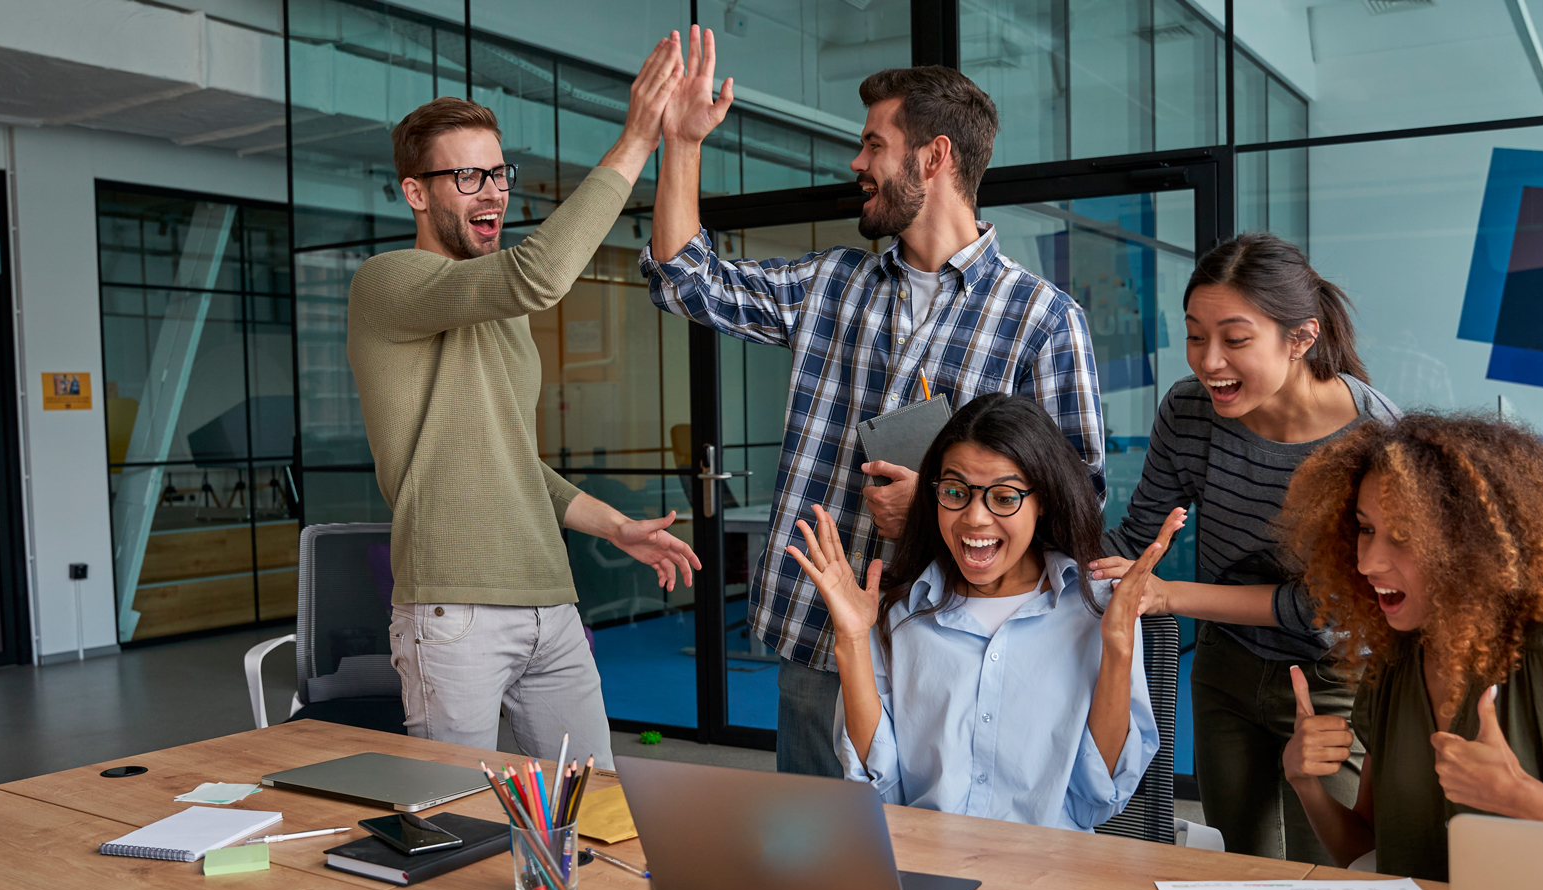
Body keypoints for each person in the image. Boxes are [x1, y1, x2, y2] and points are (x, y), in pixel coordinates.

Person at [645, 28, 1104, 776]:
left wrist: (941, 503)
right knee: (819, 866)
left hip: (954, 649)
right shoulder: (832, 284)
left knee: (936, 861)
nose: (857, 164)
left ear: (935, 157)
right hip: (820, 641)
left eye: (873, 145)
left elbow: (1079, 495)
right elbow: (686, 281)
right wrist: (683, 144)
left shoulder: (1041, 318)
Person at [348, 39, 699, 767]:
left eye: (498, 172)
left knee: (590, 807)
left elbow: (512, 462)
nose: (495, 192)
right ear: (416, 192)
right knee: (452, 819)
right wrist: (638, 139)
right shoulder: (387, 283)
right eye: (468, 176)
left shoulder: (499, 307)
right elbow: (538, 276)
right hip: (452, 610)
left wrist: (614, 527)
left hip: (549, 599)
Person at [1277, 413, 1543, 880]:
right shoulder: (1396, 653)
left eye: (1403, 536)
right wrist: (1307, 785)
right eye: (1365, 528)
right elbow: (1372, 852)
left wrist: (1520, 797)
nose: (1368, 562)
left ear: (1467, 542)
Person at [1089, 232, 1399, 861]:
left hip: (1333, 679)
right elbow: (1135, 537)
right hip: (1226, 671)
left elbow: (1323, 606)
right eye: (1196, 335)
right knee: (1239, 865)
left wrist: (1169, 595)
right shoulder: (1189, 412)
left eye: (1235, 339)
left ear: (1301, 337)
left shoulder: (1371, 439)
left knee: (1334, 870)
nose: (1208, 362)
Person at [788, 394, 1172, 831]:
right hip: (929, 867)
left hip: (1047, 875)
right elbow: (880, 789)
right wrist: (854, 641)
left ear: (1042, 500)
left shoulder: (1098, 608)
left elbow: (1098, 796)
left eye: (1004, 498)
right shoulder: (900, 611)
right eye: (954, 492)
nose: (974, 518)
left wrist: (1119, 647)